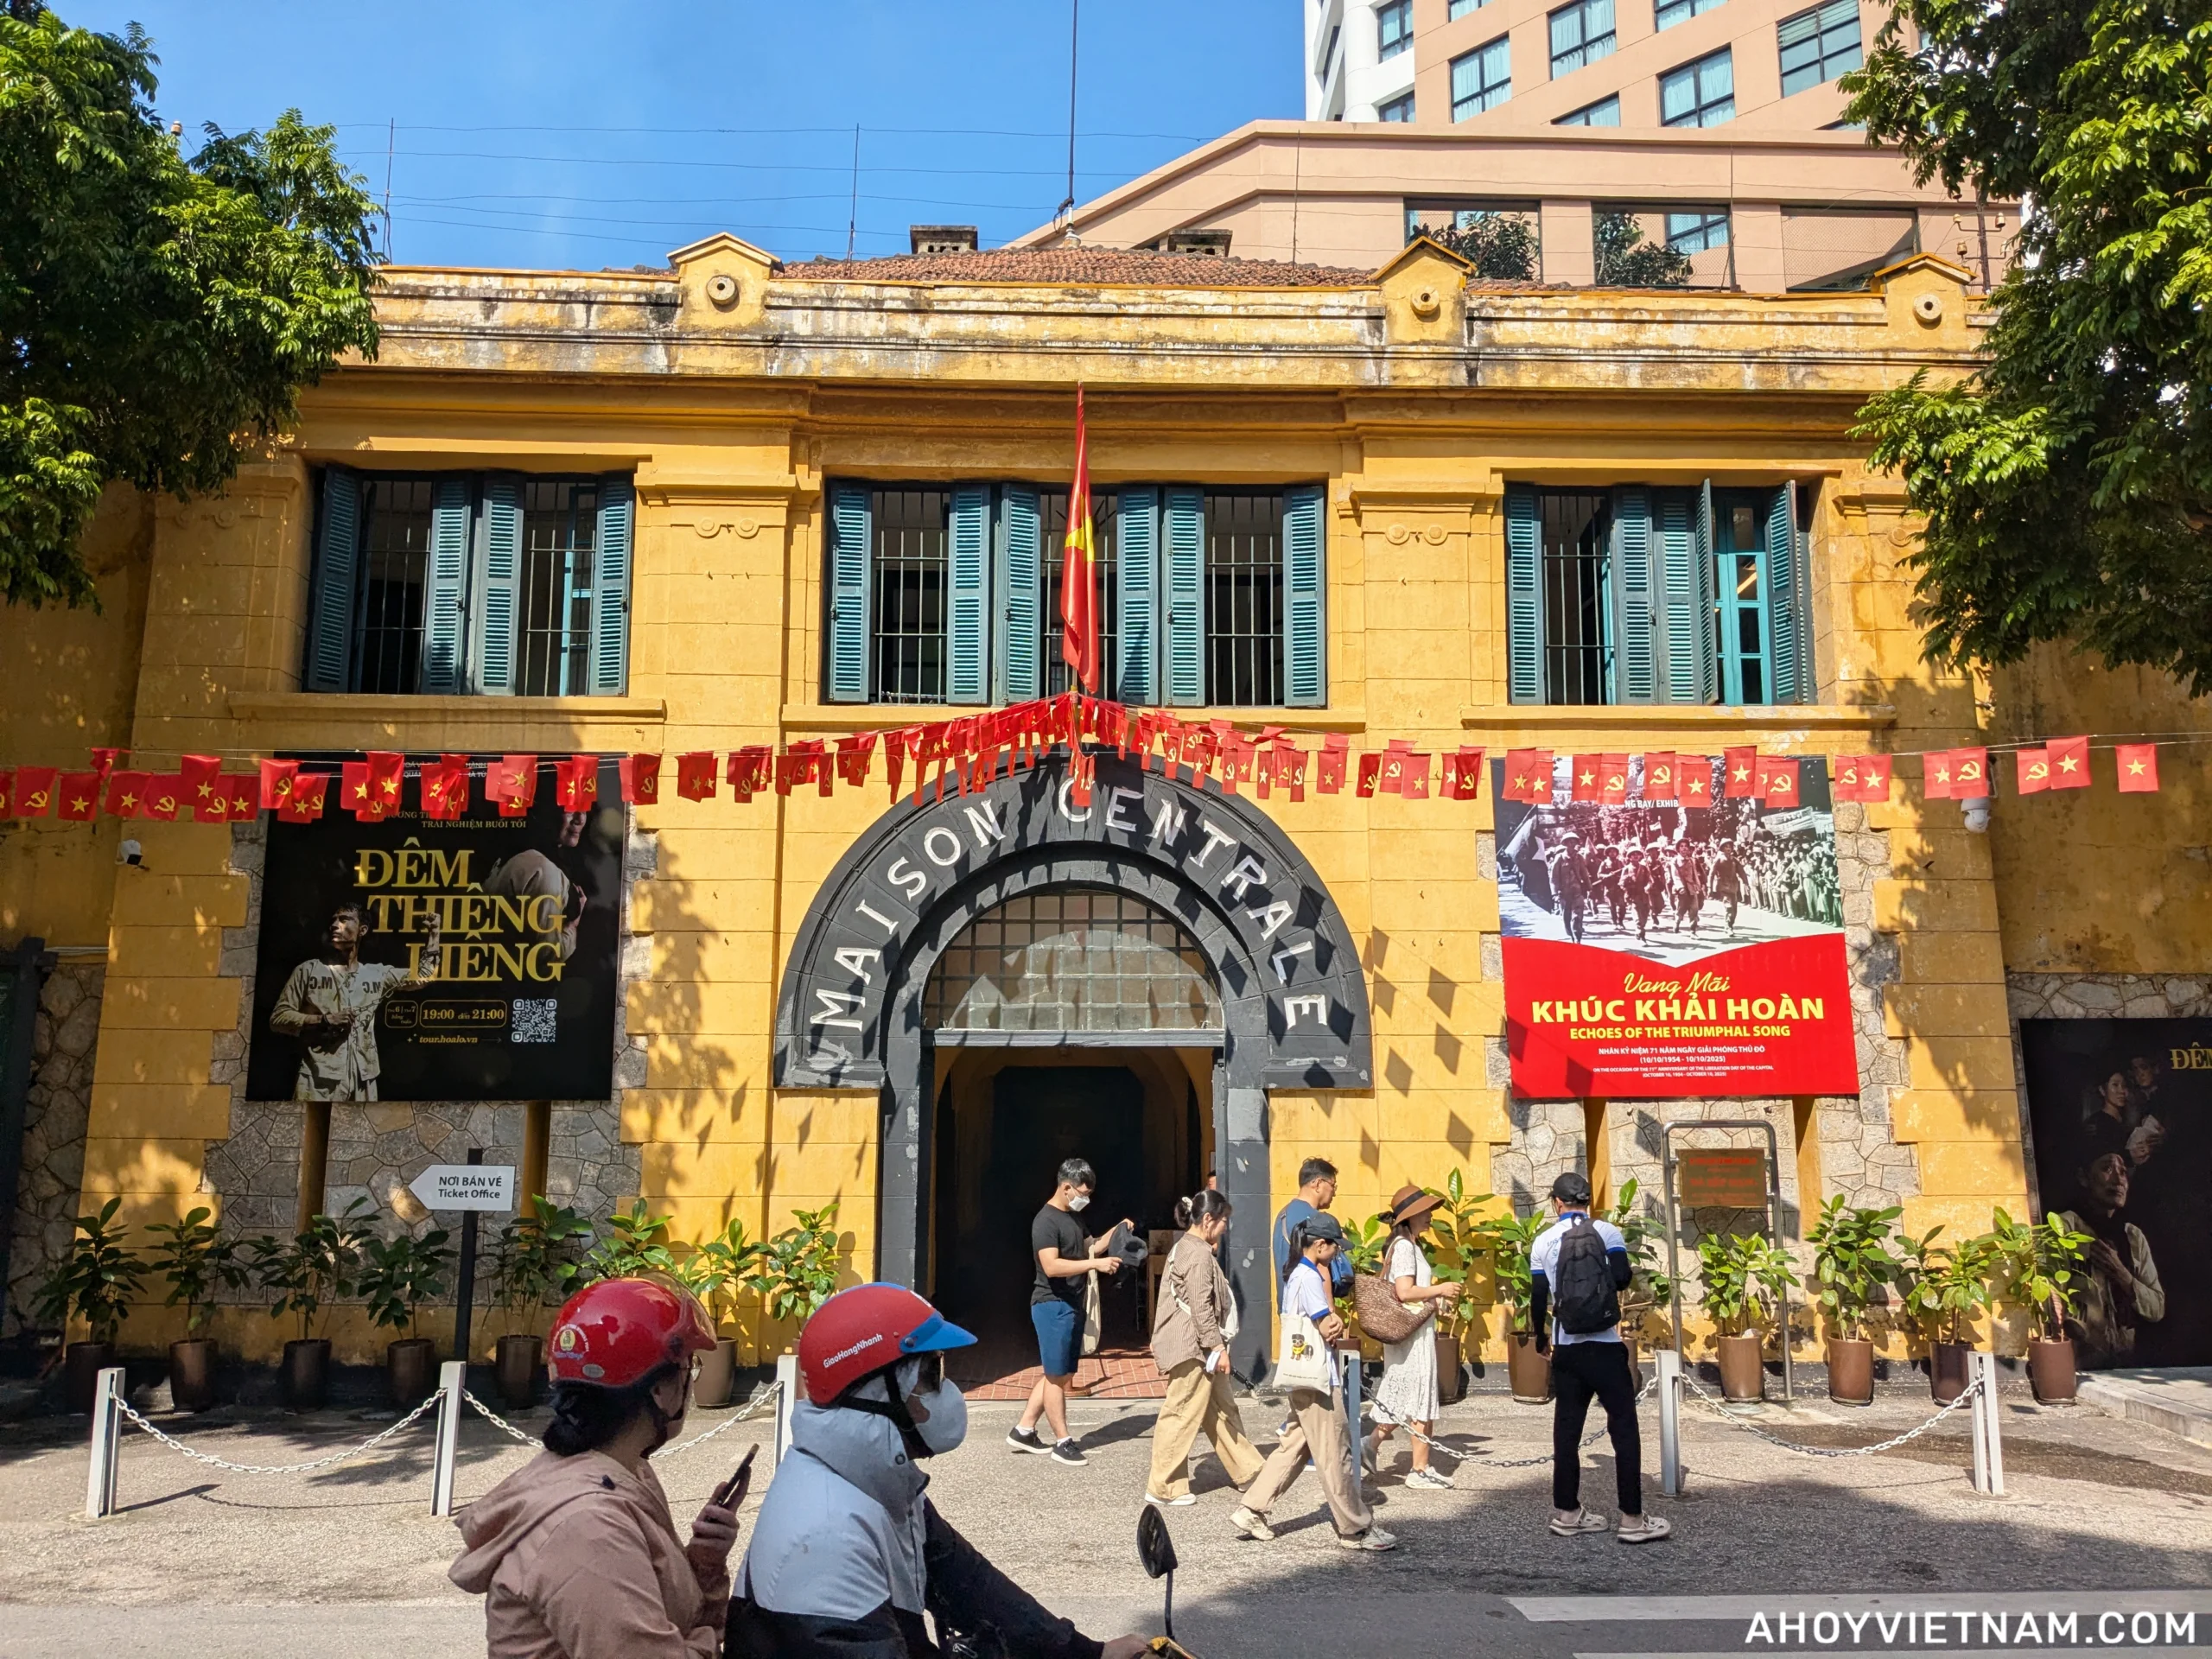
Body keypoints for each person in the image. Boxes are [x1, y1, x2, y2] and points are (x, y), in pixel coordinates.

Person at [730, 1282, 1153, 1659]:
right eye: (931, 1372)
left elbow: (969, 1584)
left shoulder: (873, 1480)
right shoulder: (825, 1536)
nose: (947, 1390)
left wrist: (1086, 1653)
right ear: (877, 1391)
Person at [449, 1276, 737, 1657]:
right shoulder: (587, 1526)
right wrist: (714, 1644)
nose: (691, 1381)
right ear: (660, 1390)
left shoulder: (626, 1472)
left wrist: (704, 1560)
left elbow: (670, 1614)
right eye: (689, 1368)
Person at [1233, 1212, 1395, 1550]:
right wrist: (1336, 1321)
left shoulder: (1296, 1274)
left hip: (1303, 1378)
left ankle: (1252, 1509)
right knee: (1336, 1453)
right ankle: (1355, 1528)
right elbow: (1326, 1326)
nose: (1338, 1251)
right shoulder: (1309, 1277)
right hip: (1319, 1378)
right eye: (1335, 1245)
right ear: (1320, 1245)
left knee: (1294, 1446)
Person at [1530, 1173, 1671, 1544]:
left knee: (1567, 1432)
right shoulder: (1607, 1232)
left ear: (1556, 1202)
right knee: (1624, 1430)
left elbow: (1538, 1296)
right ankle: (1632, 1520)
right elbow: (1623, 1277)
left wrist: (1541, 1339)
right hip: (1606, 1345)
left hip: (1568, 1348)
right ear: (1587, 1201)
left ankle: (1567, 1513)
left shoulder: (1543, 1241)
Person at [1147, 1188, 1265, 1508]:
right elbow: (1201, 1306)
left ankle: (1248, 1470)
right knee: (1182, 1411)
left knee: (1223, 1410)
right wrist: (1217, 1346)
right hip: (1193, 1348)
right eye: (1224, 1220)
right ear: (1208, 1220)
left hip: (1197, 1347)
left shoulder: (1185, 1247)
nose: (1227, 1226)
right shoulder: (1198, 1254)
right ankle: (1165, 1485)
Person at [1007, 1158, 1127, 1466]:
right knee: (1057, 1375)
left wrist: (1117, 1230)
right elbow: (1051, 1265)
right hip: (1051, 1304)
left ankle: (1023, 1429)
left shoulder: (1074, 1219)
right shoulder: (1045, 1221)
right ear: (1065, 1187)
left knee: (1058, 1373)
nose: (1085, 1199)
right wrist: (1094, 1265)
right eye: (1082, 1192)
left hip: (1071, 1304)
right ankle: (1063, 1441)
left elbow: (1093, 1246)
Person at [268, 901, 441, 1101]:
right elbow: (278, 1018)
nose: (335, 925)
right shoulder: (308, 970)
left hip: (364, 1078)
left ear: (362, 930)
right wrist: (324, 1020)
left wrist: (435, 933)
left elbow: (424, 977)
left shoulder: (377, 974)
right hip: (318, 1079)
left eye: (344, 919)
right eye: (333, 920)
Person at [1366, 1185, 1459, 1491]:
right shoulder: (1405, 1247)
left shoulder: (1405, 1245)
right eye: (1425, 1212)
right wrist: (1440, 1290)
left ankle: (1370, 1445)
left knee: (1404, 1393)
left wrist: (1433, 1300)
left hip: (1408, 1331)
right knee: (1419, 1396)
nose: (1430, 1216)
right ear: (1411, 1216)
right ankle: (1419, 1469)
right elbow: (1404, 1291)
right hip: (1413, 1335)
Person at [2057, 1150, 2165, 1368]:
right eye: (2107, 1169)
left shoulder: (2132, 1236)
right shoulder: (2065, 1227)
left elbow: (2157, 1308)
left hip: (2127, 1360)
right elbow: (2050, 1298)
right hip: (2080, 1363)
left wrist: (2121, 1273)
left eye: (2124, 1172)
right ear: (2084, 1177)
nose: (2119, 1180)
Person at [1271, 1157, 1352, 1294]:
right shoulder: (1314, 1220)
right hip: (1311, 1307)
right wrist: (1330, 1310)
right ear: (1318, 1184)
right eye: (1333, 1186)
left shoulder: (1282, 1214)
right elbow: (1322, 1267)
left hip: (1288, 1304)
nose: (1334, 1193)